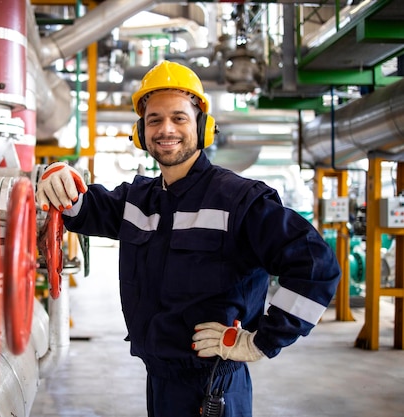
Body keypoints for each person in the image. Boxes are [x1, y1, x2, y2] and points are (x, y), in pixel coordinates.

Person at [36, 60, 341, 417]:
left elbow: (316, 266)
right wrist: (57, 174)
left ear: (202, 126)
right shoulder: (140, 199)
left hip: (213, 387)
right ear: (140, 131)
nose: (166, 129)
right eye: (154, 120)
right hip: (159, 380)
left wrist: (261, 342)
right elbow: (85, 206)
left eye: (179, 118)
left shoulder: (239, 199)